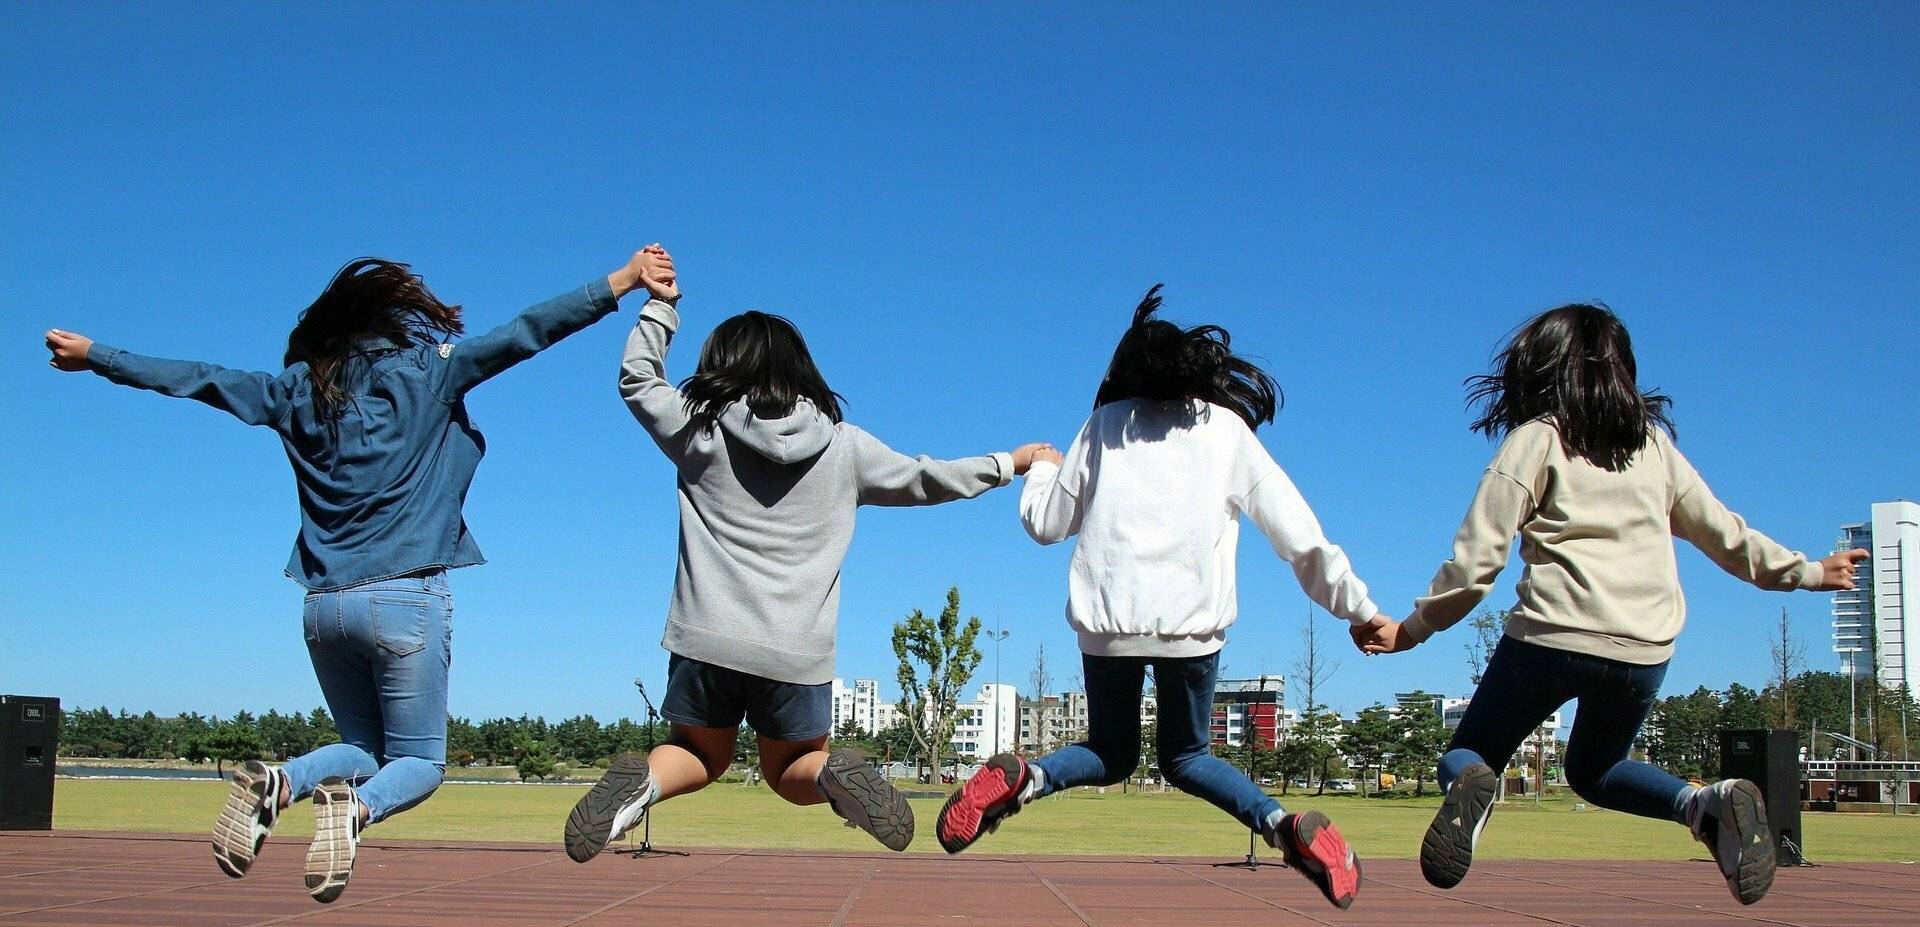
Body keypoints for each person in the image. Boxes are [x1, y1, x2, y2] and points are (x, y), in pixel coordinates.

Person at [44, 247, 665, 902]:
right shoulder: (428, 373)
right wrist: (622, 281)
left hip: (322, 607)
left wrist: (97, 355)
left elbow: (201, 378)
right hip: (405, 598)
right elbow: (529, 330)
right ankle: (354, 813)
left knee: (363, 749)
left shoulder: (295, 392)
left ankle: (281, 782)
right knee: (421, 763)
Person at [1356, 303, 1866, 905]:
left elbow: (1476, 566)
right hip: (1642, 649)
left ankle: (1473, 784)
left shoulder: (1535, 440)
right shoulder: (1653, 448)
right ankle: (1706, 804)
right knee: (1595, 770)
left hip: (1550, 637)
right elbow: (1726, 536)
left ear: (1537, 370)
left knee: (1470, 753)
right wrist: (1806, 571)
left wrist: (1411, 631)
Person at [562, 245, 1052, 862]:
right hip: (797, 649)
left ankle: (643, 786)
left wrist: (659, 308)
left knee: (697, 755)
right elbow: (930, 478)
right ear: (802, 371)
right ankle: (831, 778)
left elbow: (637, 379)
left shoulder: (702, 431)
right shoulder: (845, 448)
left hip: (704, 638)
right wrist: (1011, 463)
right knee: (792, 767)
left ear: (721, 366)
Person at [935, 286, 1382, 910]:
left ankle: (1024, 780)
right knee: (1187, 755)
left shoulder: (1103, 426)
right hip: (1190, 633)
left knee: (1110, 751)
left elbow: (1044, 524)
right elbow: (1298, 535)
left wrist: (1039, 465)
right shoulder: (1226, 432)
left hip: (1108, 627)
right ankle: (1284, 827)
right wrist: (1359, 610)